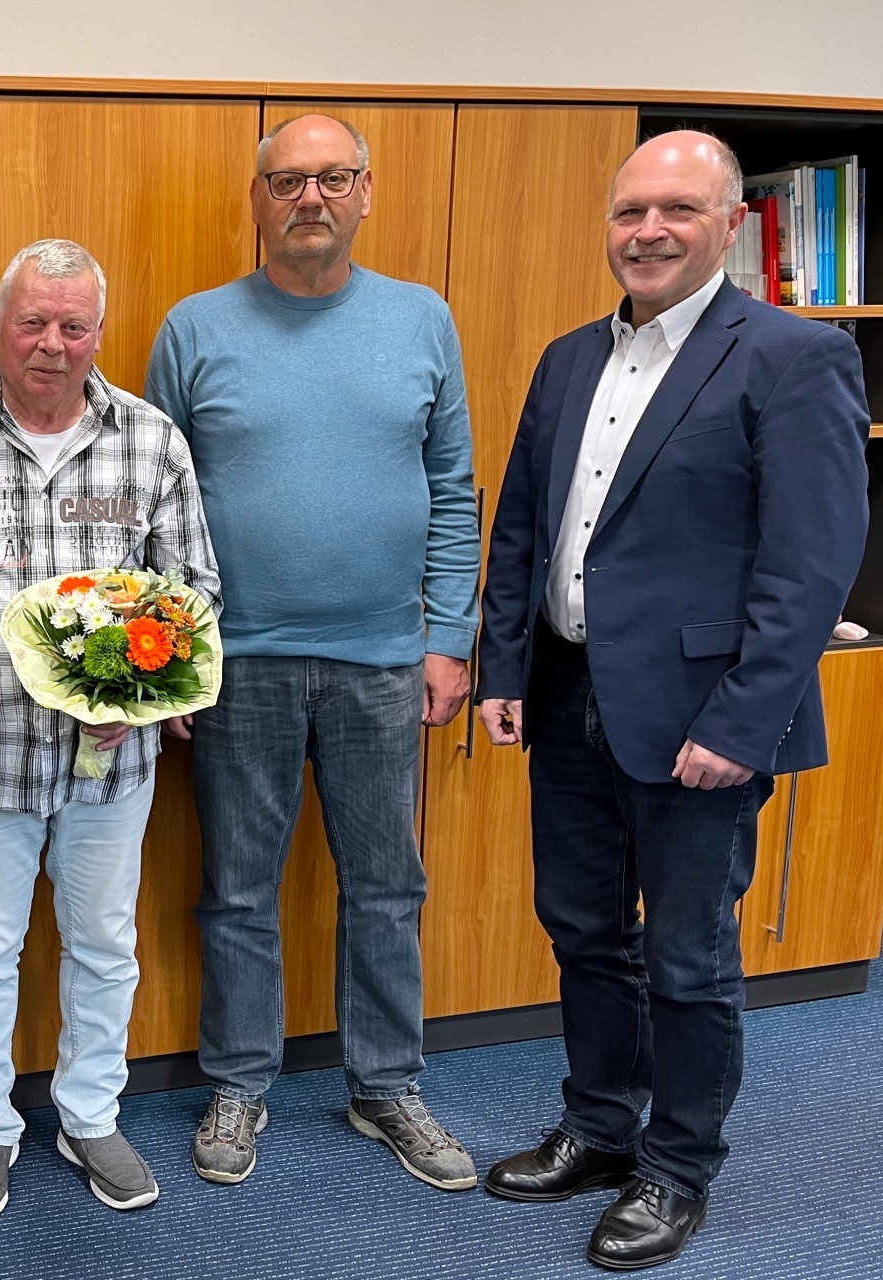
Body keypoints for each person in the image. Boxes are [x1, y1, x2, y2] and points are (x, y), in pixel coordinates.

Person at [475, 130, 870, 1271]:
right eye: (629, 210)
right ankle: (600, 1128)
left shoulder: (793, 357)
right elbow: (524, 531)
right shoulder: (564, 360)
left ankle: (678, 1162)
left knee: (690, 956)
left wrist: (742, 723)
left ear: (731, 224)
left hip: (703, 722)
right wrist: (506, 667)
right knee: (584, 932)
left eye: (677, 211)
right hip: (568, 702)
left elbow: (810, 568)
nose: (647, 230)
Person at [146, 113, 482, 1193]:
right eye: (286, 181)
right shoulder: (193, 329)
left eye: (332, 178)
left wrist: (449, 638)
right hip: (236, 659)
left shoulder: (423, 319)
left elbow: (452, 496)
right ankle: (241, 1081)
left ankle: (386, 1084)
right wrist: (171, 659)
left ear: (366, 192)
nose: (310, 199)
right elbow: (157, 513)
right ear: (257, 198)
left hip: (384, 659)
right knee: (238, 888)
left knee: (388, 882)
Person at [0, 239, 220, 1220]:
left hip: (112, 767)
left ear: (98, 333)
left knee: (105, 945)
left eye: (73, 325)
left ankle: (88, 1114)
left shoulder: (152, 439)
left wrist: (147, 700)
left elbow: (193, 591)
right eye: (32, 320)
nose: (51, 342)